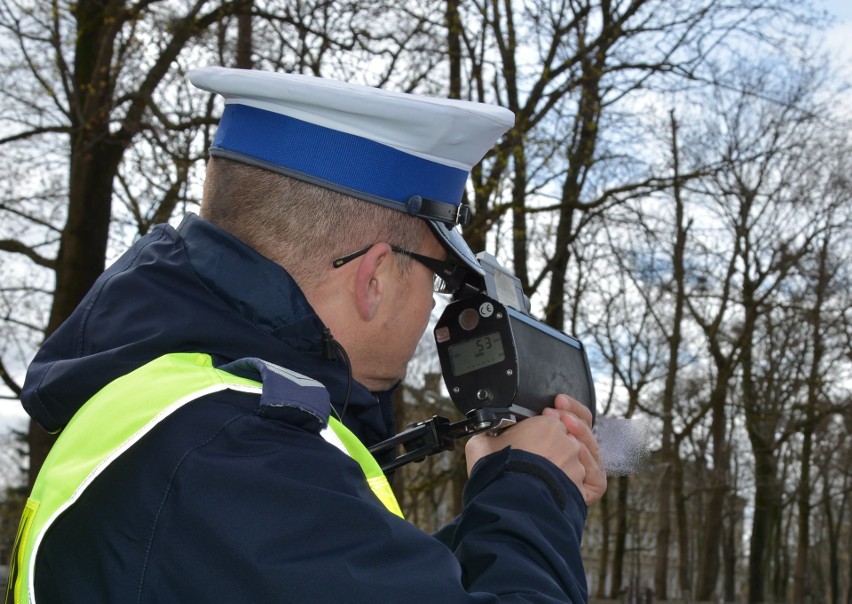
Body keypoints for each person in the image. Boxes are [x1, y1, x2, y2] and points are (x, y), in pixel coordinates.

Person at [7, 67, 606, 603]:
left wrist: (504, 488)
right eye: (440, 276)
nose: (433, 304)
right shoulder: (231, 455)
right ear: (373, 277)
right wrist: (533, 490)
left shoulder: (194, 425)